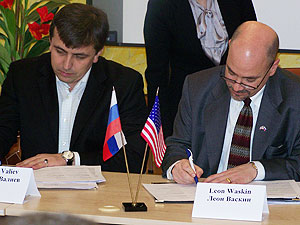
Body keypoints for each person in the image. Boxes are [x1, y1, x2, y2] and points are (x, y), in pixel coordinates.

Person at [0, 3, 147, 173]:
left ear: (98, 53)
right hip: (37, 187)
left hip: (99, 192)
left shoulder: (123, 83)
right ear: (50, 42)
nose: (67, 65)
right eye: (60, 51)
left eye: (79, 56)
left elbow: (135, 158)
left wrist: (69, 159)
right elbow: (3, 131)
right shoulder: (23, 76)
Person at [162, 21, 300, 184]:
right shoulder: (197, 87)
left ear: (272, 68)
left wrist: (256, 169)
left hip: (265, 201)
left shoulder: (294, 97)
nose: (236, 86)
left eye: (249, 80)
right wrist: (178, 165)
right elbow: (177, 145)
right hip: (207, 194)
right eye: (231, 73)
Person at [144, 0, 257, 138]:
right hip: (187, 108)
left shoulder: (238, 3)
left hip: (234, 103)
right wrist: (162, 132)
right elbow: (156, 73)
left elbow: (254, 45)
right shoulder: (162, 4)